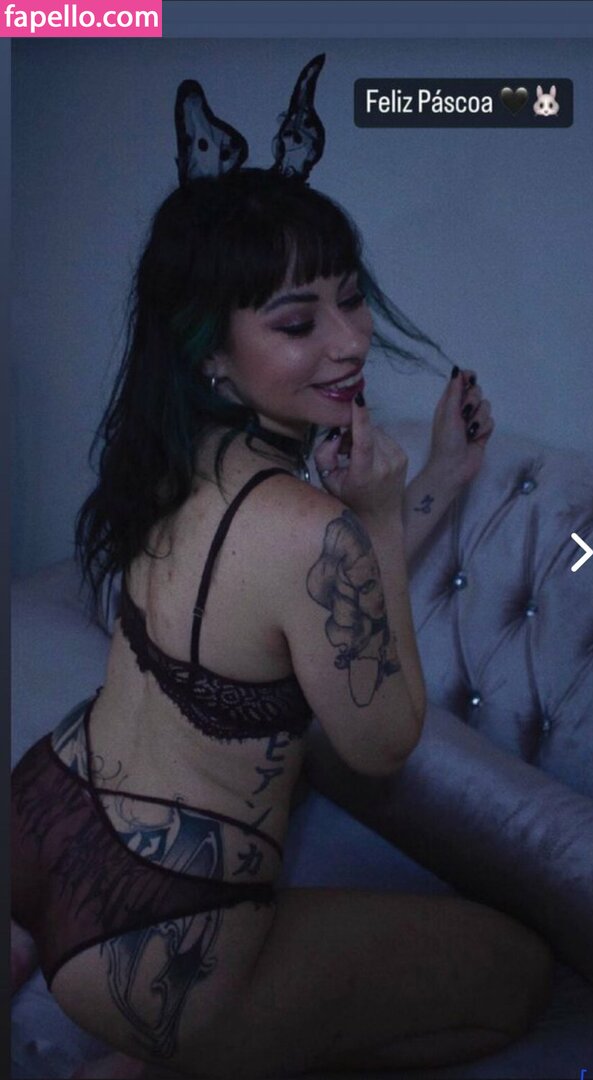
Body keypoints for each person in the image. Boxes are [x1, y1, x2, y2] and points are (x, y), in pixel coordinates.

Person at [11, 56, 553, 1080]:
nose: (350, 344)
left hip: (43, 818)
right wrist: (376, 513)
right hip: (161, 941)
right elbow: (382, 740)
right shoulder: (310, 529)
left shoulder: (169, 462)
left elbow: (309, 602)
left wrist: (440, 476)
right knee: (518, 975)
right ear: (212, 354)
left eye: (352, 301)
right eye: (299, 323)